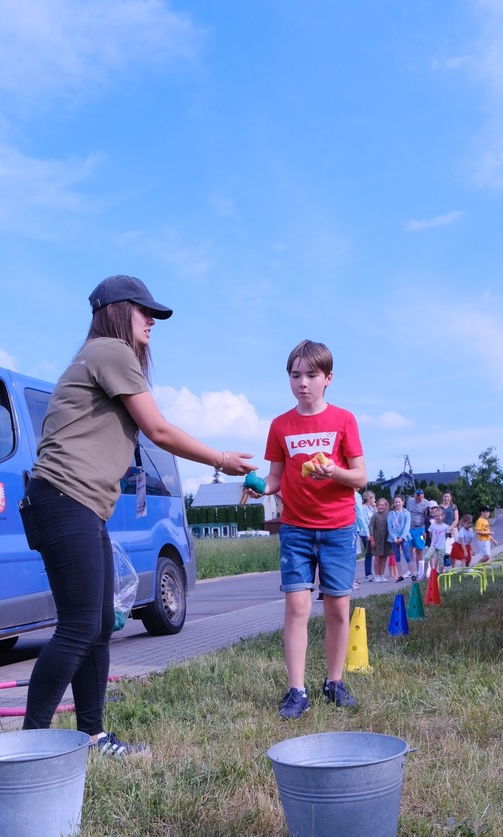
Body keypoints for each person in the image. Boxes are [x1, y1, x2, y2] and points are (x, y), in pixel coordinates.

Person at [21, 274, 255, 752]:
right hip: (66, 499)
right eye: (144, 310)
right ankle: (26, 748)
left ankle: (92, 734)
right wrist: (221, 461)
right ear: (115, 310)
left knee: (100, 623)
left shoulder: (99, 358)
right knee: (80, 625)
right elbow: (159, 430)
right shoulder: (110, 350)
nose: (152, 320)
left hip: (76, 505)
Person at [252, 339, 366, 718]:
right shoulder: (280, 425)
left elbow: (361, 477)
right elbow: (274, 479)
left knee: (337, 608)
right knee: (297, 607)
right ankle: (296, 691)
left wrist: (333, 471)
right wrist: (258, 487)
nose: (302, 382)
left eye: (311, 375)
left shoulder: (344, 420)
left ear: (328, 378)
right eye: (295, 374)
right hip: (296, 530)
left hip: (337, 528)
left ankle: (334, 682)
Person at [406, 487, 431, 579]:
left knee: (419, 550)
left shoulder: (426, 503)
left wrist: (425, 531)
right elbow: (407, 513)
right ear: (414, 495)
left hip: (420, 530)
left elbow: (427, 518)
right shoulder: (410, 501)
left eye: (419, 498)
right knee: (409, 549)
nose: (418, 499)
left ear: (423, 496)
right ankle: (411, 570)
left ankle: (419, 569)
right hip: (410, 529)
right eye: (416, 497)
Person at [386, 494, 412, 581]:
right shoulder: (391, 514)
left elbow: (406, 526)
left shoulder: (406, 513)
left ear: (403, 502)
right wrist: (394, 538)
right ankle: (400, 575)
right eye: (395, 502)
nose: (397, 504)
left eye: (399, 502)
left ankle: (413, 573)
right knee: (397, 556)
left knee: (407, 554)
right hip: (394, 538)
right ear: (393, 503)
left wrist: (402, 537)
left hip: (403, 537)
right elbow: (390, 527)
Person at [368, 496, 391, 583]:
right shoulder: (375, 516)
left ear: (386, 506)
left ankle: (382, 574)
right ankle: (377, 575)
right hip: (377, 538)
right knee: (377, 557)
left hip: (386, 538)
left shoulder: (389, 515)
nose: (381, 507)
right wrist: (372, 539)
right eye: (379, 505)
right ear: (377, 506)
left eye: (382, 505)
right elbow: (371, 527)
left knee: (384, 556)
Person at [358, 490, 377, 581]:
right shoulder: (363, 508)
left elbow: (377, 516)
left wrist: (374, 508)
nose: (375, 499)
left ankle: (376, 572)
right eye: (373, 498)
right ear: (369, 498)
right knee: (369, 553)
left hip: (373, 533)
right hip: (365, 533)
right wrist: (368, 534)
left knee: (375, 553)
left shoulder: (371, 508)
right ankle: (368, 573)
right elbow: (365, 521)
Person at [426, 506, 448, 575]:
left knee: (440, 561)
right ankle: (426, 573)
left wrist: (441, 542)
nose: (437, 517)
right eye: (435, 516)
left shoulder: (446, 526)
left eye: (439, 516)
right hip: (433, 545)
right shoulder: (432, 526)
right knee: (426, 557)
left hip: (441, 546)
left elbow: (446, 536)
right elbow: (430, 535)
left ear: (443, 516)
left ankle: (440, 574)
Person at [440, 490, 459, 568]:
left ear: (450, 498)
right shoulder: (439, 507)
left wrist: (450, 528)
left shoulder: (454, 507)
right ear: (442, 498)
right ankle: (442, 568)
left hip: (452, 530)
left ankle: (454, 567)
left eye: (448, 497)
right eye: (445, 497)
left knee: (453, 549)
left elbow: (456, 519)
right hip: (442, 530)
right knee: (442, 549)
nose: (446, 498)